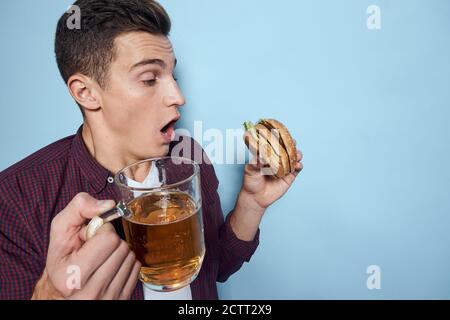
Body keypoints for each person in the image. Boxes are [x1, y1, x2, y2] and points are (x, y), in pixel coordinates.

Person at [0, 0, 303, 300]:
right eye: (149, 79)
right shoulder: (14, 201)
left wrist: (252, 203)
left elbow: (214, 268)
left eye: (173, 75)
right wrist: (50, 296)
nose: (178, 96)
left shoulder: (189, 157)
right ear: (86, 93)